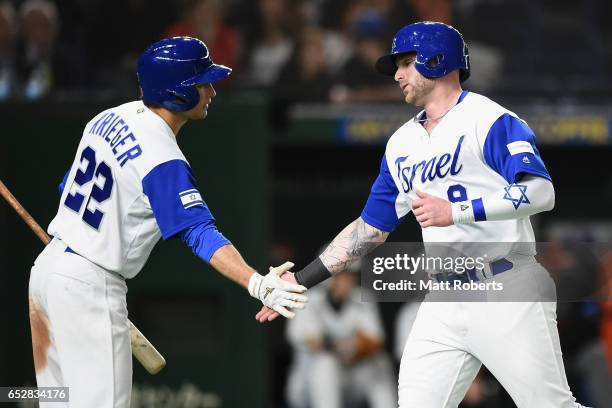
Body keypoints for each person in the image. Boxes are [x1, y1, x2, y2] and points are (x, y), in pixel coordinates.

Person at [257, 22, 590, 407]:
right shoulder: (401, 143)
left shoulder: (490, 118)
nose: (397, 74)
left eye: (406, 62)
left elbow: (541, 191)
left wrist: (458, 212)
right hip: (442, 298)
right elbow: (369, 229)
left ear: (438, 59)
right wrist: (300, 279)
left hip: (505, 285)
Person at [28, 36, 307, 407]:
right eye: (202, 83)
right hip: (89, 283)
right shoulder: (162, 155)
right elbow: (198, 232)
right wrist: (256, 282)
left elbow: (69, 187)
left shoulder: (107, 118)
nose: (211, 91)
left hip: (48, 272)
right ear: (177, 93)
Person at [285, 260, 396, 408]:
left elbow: (376, 341)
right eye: (343, 275)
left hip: (348, 379)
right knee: (326, 363)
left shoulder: (361, 297)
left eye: (352, 275)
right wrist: (350, 346)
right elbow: (315, 342)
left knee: (381, 362)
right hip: (308, 386)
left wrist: (353, 348)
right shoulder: (308, 299)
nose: (349, 280)